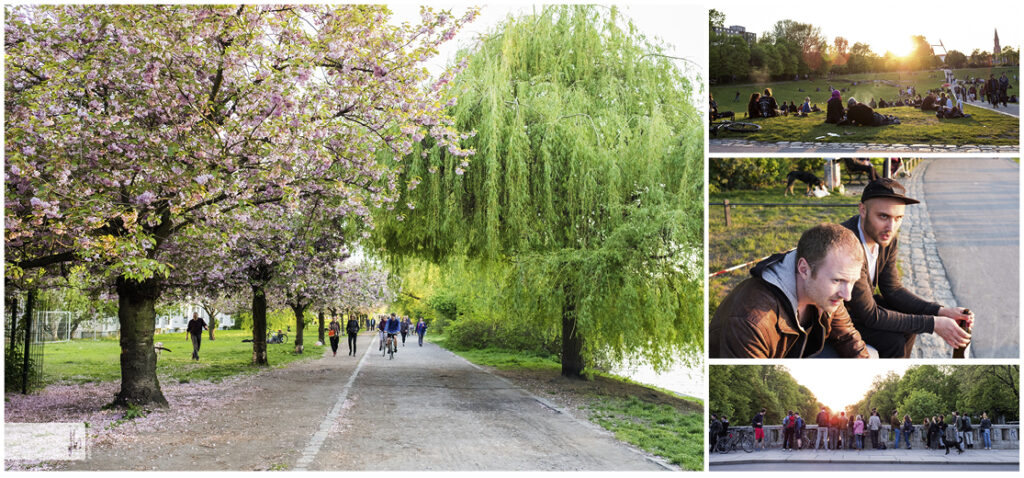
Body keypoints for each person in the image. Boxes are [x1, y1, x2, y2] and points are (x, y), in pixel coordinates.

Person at [840, 178, 974, 358]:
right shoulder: (847, 245)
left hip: (859, 308)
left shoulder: (886, 239)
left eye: (898, 218)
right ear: (863, 210)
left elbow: (893, 289)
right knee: (893, 342)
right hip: (834, 318)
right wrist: (933, 323)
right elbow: (870, 315)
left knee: (910, 327)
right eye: (883, 216)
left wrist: (941, 312)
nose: (891, 227)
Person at [709, 224, 870, 358]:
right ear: (804, 269)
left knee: (871, 354)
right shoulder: (751, 322)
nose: (847, 296)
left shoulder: (827, 293)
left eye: (852, 282)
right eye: (837, 280)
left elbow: (849, 338)